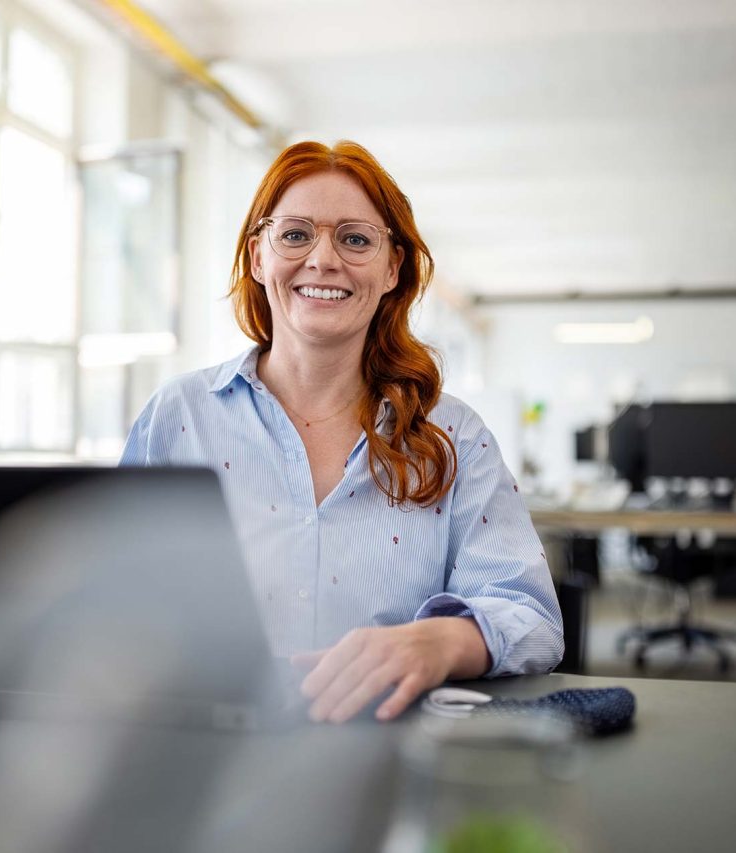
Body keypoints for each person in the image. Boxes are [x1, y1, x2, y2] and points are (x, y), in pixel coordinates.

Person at [122, 140, 562, 723]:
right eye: (296, 234)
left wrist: (439, 642)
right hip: (210, 750)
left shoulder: (454, 434)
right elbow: (113, 601)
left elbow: (531, 618)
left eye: (355, 239)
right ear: (258, 258)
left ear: (390, 268)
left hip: (388, 756)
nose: (323, 260)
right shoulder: (177, 416)